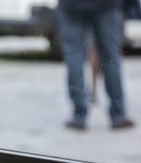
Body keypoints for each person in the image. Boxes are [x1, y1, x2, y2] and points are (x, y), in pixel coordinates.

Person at [57, 0, 135, 130]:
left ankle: (79, 115)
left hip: (72, 5)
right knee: (110, 56)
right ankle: (118, 115)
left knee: (74, 57)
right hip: (107, 5)